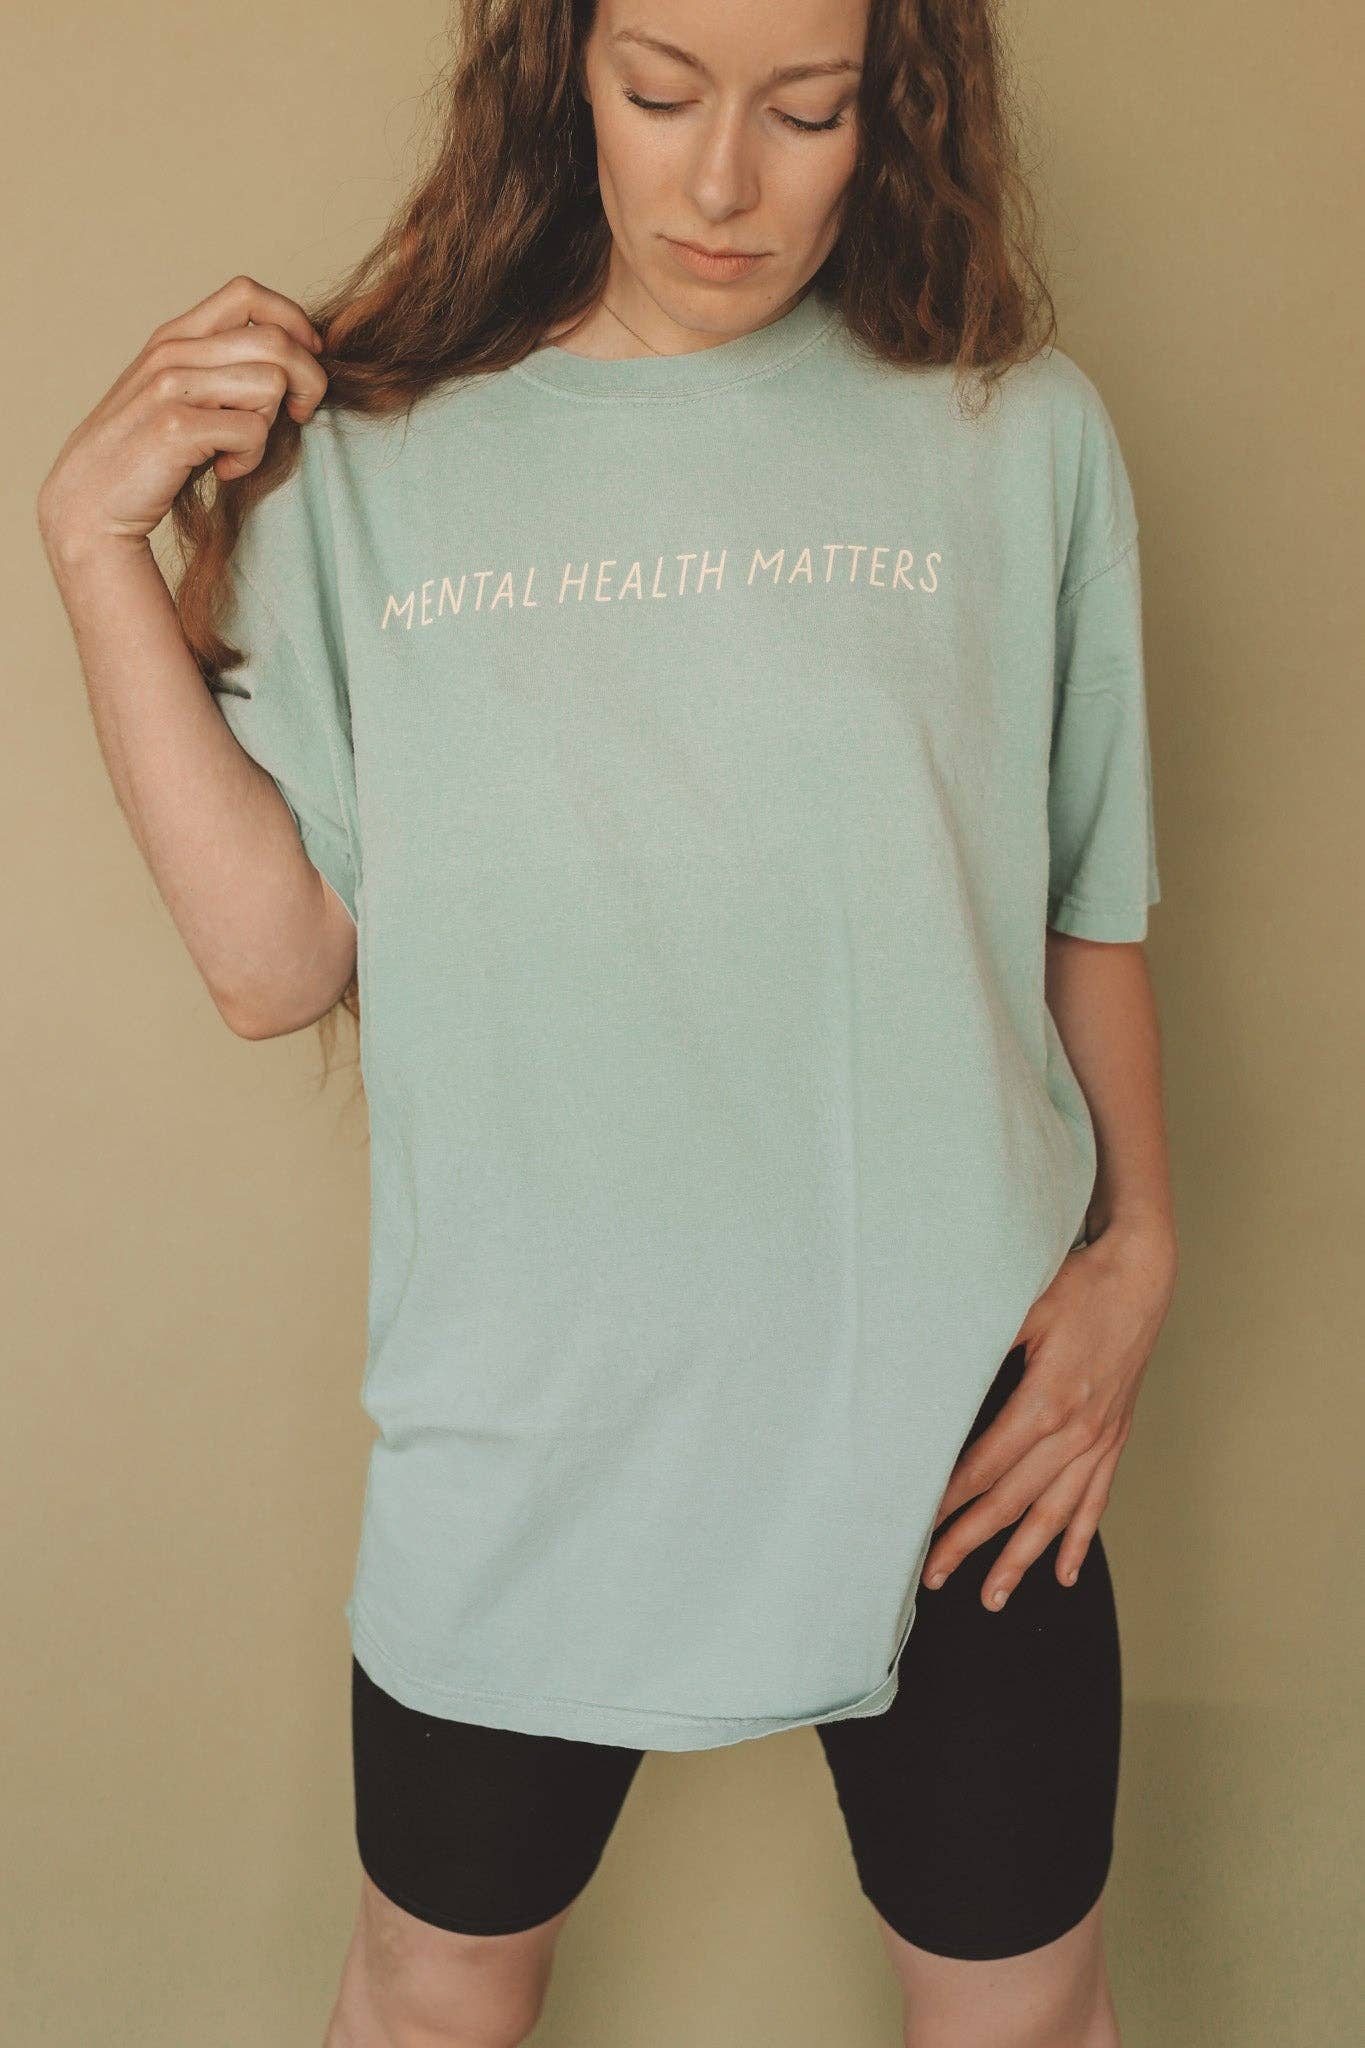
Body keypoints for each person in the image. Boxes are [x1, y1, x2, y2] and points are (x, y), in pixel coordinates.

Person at [37, 0, 1180, 2042]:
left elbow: (1081, 893)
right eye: (660, 93)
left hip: (958, 1425)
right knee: (428, 2000)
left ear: (894, 107)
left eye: (806, 109)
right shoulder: (372, 454)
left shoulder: (1014, 432)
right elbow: (271, 965)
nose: (722, 178)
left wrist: (1139, 1249)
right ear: (561, 70)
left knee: (1026, 2017)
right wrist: (89, 546)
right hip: (533, 1416)